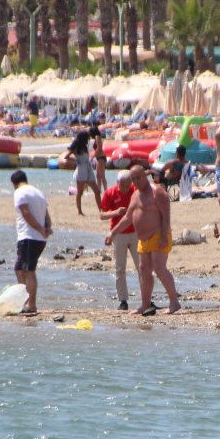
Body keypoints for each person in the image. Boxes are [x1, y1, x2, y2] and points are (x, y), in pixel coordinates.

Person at [105, 165, 180, 315]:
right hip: (143, 239)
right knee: (144, 271)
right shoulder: (135, 195)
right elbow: (127, 218)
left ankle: (174, 302)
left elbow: (166, 216)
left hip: (158, 234)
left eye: (138, 177)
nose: (136, 181)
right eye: (133, 179)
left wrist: (164, 236)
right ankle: (145, 304)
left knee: (159, 268)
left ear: (145, 176)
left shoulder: (157, 192)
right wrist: (113, 233)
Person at [12, 170, 53, 315]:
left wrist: (41, 229)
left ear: (14, 184)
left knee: (29, 271)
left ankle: (32, 305)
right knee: (19, 269)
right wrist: (47, 227)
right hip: (37, 238)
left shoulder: (19, 192)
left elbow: (26, 213)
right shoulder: (38, 192)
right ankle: (23, 302)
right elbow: (46, 214)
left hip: (29, 237)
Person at [100, 169, 140, 311]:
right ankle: (123, 300)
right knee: (120, 268)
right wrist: (116, 212)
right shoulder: (110, 193)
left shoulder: (135, 191)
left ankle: (147, 299)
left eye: (127, 185)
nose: (124, 189)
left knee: (142, 266)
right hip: (119, 234)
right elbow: (102, 214)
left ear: (131, 183)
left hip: (135, 232)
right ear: (117, 183)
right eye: (122, 186)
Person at [61, 130, 101, 216]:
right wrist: (76, 160)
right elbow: (66, 156)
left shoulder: (84, 146)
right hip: (81, 169)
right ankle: (79, 211)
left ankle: (101, 209)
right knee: (80, 192)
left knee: (97, 191)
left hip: (88, 167)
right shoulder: (76, 147)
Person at [90, 118, 108, 193]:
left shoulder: (97, 137)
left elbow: (99, 148)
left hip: (101, 157)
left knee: (102, 175)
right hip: (99, 158)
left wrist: (93, 156)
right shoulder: (97, 137)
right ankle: (99, 190)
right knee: (98, 175)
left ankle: (106, 190)